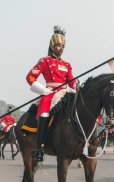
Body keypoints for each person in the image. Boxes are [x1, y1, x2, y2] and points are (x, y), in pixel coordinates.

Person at [26, 25, 77, 162]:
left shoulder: (67, 64)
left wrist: (77, 85)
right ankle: (39, 147)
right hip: (50, 92)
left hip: (66, 91)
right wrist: (43, 90)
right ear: (52, 46)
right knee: (44, 113)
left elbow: (71, 80)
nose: (61, 48)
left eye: (63, 46)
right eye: (59, 45)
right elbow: (30, 77)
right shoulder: (44, 61)